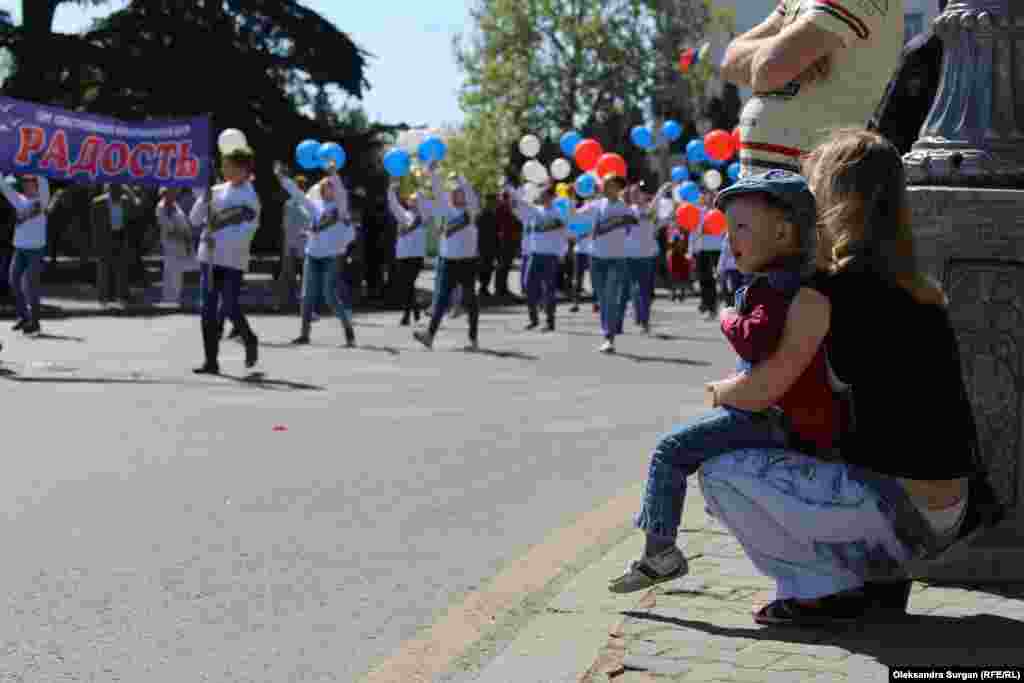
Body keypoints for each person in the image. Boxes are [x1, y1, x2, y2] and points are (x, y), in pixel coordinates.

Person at [697, 128, 1003, 625]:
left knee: (718, 471)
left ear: (830, 202)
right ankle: (876, 585)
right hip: (952, 508)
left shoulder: (826, 291)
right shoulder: (918, 288)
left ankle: (820, 593)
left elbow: (761, 392)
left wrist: (716, 392)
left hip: (897, 510)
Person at [609, 170, 841, 594]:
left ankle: (660, 552)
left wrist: (728, 316)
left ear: (785, 231)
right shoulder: (795, 281)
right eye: (728, 226)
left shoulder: (775, 287)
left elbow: (755, 341)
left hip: (774, 418)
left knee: (671, 449)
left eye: (741, 227)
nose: (730, 237)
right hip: (783, 416)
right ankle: (659, 549)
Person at [722, 0, 904, 177]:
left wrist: (779, 55)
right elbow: (729, 61)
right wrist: (782, 51)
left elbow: (768, 68)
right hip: (772, 175)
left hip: (814, 176)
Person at [189, 147, 261, 374]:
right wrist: (203, 200)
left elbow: (248, 231)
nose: (224, 169)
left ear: (243, 169)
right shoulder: (216, 191)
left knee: (229, 305)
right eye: (224, 165)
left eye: (229, 165)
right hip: (209, 259)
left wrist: (220, 238)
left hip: (232, 259)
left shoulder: (250, 197)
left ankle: (249, 338)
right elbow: (194, 219)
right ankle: (211, 361)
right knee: (207, 310)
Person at [276, 161, 357, 347]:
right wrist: (283, 179)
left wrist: (333, 173)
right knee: (306, 296)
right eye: (326, 186)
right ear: (321, 189)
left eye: (331, 186)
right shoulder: (315, 206)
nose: (329, 188)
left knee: (330, 296)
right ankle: (304, 334)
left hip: (331, 257)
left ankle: (348, 330)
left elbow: (342, 192)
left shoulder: (340, 207)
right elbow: (297, 195)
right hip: (312, 255)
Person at [413, 164, 481, 351]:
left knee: (470, 300)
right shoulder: (446, 210)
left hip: (467, 261)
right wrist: (433, 173)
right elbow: (438, 190)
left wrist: (461, 179)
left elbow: (472, 197)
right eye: (454, 192)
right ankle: (429, 335)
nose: (455, 194)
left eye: (459, 192)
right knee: (441, 299)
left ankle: (473, 339)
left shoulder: (471, 211)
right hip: (448, 261)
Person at [573, 174, 635, 354]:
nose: (606, 187)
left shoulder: (625, 208)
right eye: (605, 184)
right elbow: (575, 216)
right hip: (597, 257)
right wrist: (571, 197)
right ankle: (607, 333)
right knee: (602, 298)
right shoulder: (596, 205)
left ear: (618, 188)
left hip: (617, 258)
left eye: (611, 185)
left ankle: (609, 337)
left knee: (611, 297)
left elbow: (634, 228)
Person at [507, 183, 568, 332]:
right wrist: (509, 189)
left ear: (552, 197)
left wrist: (562, 253)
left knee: (549, 289)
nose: (544, 198)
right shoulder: (534, 211)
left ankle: (549, 322)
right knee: (528, 286)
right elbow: (520, 204)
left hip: (550, 256)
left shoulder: (558, 214)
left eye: (547, 196)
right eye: (542, 196)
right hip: (534, 255)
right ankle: (533, 319)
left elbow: (563, 236)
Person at [1, 174, 49, 335]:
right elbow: (4, 187)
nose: (27, 185)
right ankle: (23, 316)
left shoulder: (43, 200)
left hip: (36, 249)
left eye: (30, 182)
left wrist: (38, 169)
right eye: (25, 183)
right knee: (13, 280)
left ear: (36, 184)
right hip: (19, 248)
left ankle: (35, 322)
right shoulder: (19, 200)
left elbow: (43, 180)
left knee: (30, 285)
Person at [621, 183, 672, 335]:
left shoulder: (650, 210)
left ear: (643, 195)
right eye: (632, 194)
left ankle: (642, 318)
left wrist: (662, 190)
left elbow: (656, 203)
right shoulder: (628, 212)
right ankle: (643, 319)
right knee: (636, 289)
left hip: (648, 255)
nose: (635, 196)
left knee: (646, 290)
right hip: (631, 255)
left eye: (637, 193)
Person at [91, 183, 142, 305]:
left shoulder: (125, 201)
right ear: (110, 189)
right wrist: (95, 243)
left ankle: (121, 297)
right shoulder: (98, 202)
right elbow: (94, 224)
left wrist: (130, 193)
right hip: (104, 238)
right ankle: (103, 299)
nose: (118, 193)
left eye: (120, 190)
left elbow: (138, 207)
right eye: (115, 189)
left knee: (122, 268)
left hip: (120, 236)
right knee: (103, 270)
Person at [387, 181, 429, 326]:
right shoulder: (404, 215)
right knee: (406, 285)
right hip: (403, 254)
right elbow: (393, 204)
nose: (414, 202)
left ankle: (407, 315)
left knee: (409, 284)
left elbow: (423, 201)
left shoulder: (423, 217)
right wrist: (391, 190)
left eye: (416, 200)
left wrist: (419, 187)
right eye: (412, 200)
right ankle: (415, 311)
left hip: (416, 255)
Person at [156, 187, 199, 307]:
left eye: (175, 192)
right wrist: (184, 236)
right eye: (172, 192)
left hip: (182, 243)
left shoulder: (175, 205)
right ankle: (169, 299)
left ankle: (174, 298)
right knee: (171, 273)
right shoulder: (162, 207)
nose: (175, 193)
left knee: (177, 273)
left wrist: (187, 238)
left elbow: (183, 224)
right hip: (171, 244)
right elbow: (168, 229)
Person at [276, 173, 312, 309]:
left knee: (305, 275)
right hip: (292, 243)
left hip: (304, 243)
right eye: (299, 186)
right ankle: (283, 301)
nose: (300, 188)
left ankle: (305, 303)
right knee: (287, 274)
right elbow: (285, 225)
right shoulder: (289, 203)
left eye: (302, 186)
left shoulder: (308, 203)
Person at [692, 192, 723, 320]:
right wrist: (691, 249)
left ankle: (714, 305)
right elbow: (694, 230)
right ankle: (708, 304)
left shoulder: (719, 211)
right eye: (706, 196)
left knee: (716, 279)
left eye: (711, 196)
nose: (708, 198)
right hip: (702, 248)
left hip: (716, 248)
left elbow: (723, 230)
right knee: (704, 279)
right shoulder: (699, 212)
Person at [493, 190, 522, 299]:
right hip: (504, 241)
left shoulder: (510, 209)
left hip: (510, 240)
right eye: (509, 198)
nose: (510, 201)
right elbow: (498, 224)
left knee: (506, 265)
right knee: (502, 265)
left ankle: (503, 288)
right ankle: (499, 289)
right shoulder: (501, 208)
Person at [476, 193, 499, 297]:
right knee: (483, 268)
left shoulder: (493, 214)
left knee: (488, 268)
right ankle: (482, 288)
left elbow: (496, 231)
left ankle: (484, 288)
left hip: (491, 245)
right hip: (482, 246)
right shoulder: (481, 214)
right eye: (492, 201)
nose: (494, 204)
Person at [716, 236, 743, 308]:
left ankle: (734, 306)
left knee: (733, 289)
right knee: (737, 289)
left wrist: (720, 268)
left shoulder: (728, 237)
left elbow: (724, 253)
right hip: (737, 267)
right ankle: (737, 306)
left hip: (732, 268)